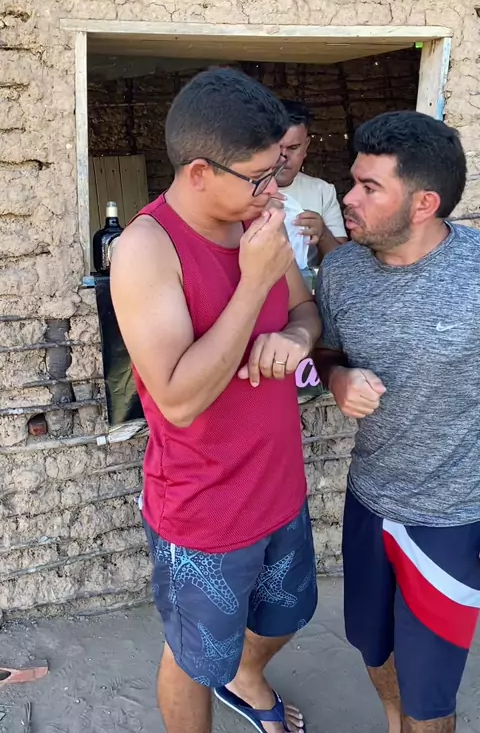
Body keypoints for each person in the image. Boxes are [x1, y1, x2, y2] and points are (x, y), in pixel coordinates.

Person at [111, 68, 321, 733]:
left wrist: (294, 336)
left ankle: (247, 678)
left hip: (279, 485)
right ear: (201, 172)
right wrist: (253, 284)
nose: (274, 190)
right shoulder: (148, 249)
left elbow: (306, 312)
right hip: (204, 509)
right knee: (194, 661)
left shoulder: (258, 221)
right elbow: (178, 401)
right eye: (260, 176)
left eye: (277, 170)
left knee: (288, 615)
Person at [313, 110, 480, 733]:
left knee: (430, 697)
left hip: (452, 519)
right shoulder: (342, 272)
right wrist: (337, 378)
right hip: (369, 500)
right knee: (372, 645)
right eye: (352, 181)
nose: (347, 198)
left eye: (369, 187)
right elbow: (325, 352)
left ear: (423, 203)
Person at [277, 100, 348, 259]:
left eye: (293, 148)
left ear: (306, 146)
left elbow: (342, 261)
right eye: (277, 147)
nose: (283, 157)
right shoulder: (242, 189)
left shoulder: (322, 192)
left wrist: (323, 234)